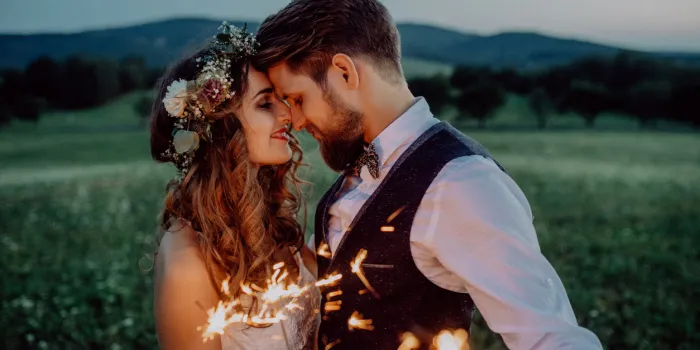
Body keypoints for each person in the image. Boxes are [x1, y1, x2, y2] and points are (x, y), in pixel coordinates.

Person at [253, 1, 604, 349]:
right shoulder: (357, 165)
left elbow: (552, 338)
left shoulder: (461, 182)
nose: (296, 122)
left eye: (297, 99)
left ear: (345, 72)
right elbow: (344, 284)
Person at [149, 23, 319, 350]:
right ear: (221, 127)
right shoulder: (188, 263)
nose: (287, 113)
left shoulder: (274, 224)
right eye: (265, 103)